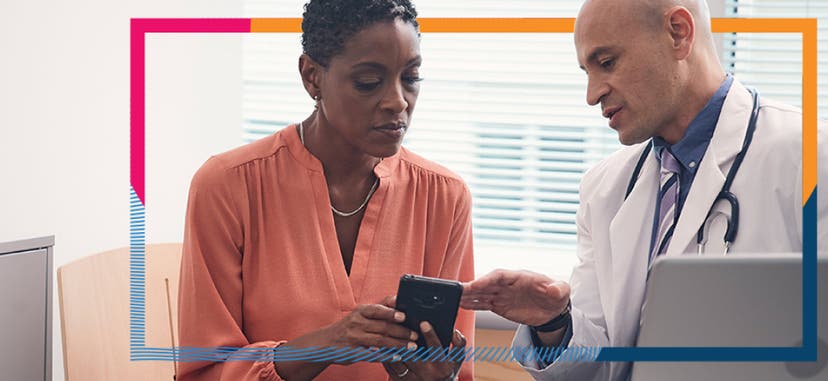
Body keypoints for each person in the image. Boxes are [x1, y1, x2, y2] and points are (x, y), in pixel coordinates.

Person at [460, 0, 828, 380]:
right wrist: (554, 322)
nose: (592, 94)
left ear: (678, 33)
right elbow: (598, 366)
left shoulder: (811, 157)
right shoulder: (604, 189)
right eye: (586, 71)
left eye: (607, 63)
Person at [177, 1, 475, 380]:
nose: (398, 101)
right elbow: (203, 371)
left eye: (411, 78)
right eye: (368, 82)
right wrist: (328, 344)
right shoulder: (227, 186)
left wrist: (431, 376)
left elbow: (456, 370)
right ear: (312, 77)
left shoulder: (444, 197)